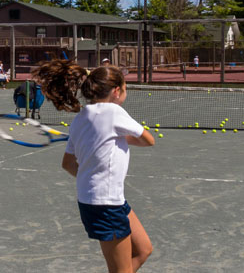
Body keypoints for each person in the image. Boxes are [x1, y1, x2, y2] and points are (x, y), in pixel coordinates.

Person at [32, 60, 155, 273]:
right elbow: (148, 140)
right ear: (116, 91)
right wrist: (123, 139)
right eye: (125, 89)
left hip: (102, 200)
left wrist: (91, 177)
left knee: (143, 250)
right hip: (106, 204)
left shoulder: (80, 118)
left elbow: (68, 164)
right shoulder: (114, 112)